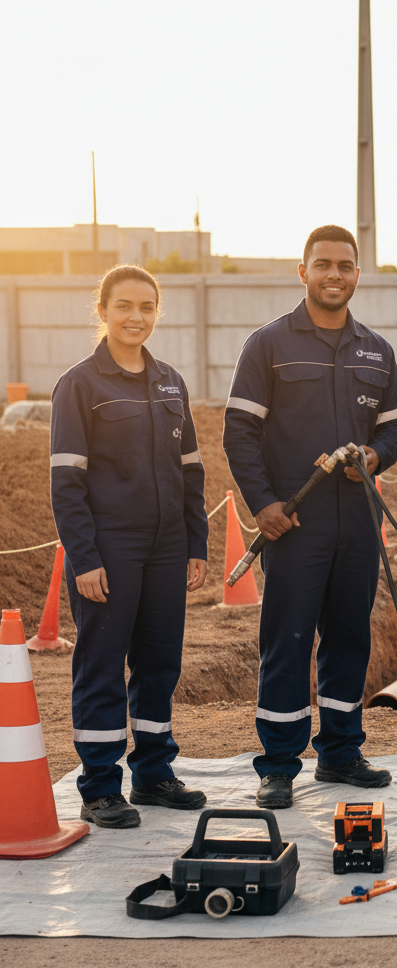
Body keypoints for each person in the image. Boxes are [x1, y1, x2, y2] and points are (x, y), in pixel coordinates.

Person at [223, 225, 397, 809]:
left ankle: (340, 753)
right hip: (295, 524)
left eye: (345, 265)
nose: (335, 274)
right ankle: (279, 765)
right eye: (323, 264)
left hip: (357, 521)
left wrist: (375, 456)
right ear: (303, 271)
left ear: (357, 274)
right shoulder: (268, 344)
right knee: (287, 639)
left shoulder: (376, 350)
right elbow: (239, 432)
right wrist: (263, 504)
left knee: (349, 637)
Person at [50, 265, 209, 828]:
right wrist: (84, 557)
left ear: (157, 313)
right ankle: (99, 786)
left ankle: (153, 774)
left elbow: (191, 470)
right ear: (103, 311)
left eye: (146, 307)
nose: (135, 317)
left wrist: (196, 542)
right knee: (102, 662)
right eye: (124, 306)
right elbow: (66, 483)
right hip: (110, 545)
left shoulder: (170, 381)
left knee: (159, 662)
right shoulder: (79, 385)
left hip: (168, 546)